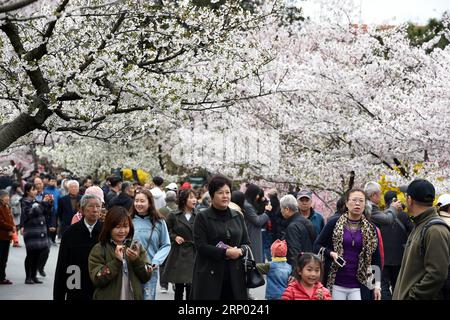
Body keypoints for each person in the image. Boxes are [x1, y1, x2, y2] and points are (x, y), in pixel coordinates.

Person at [314, 188, 382, 300]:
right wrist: (331, 253)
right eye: (354, 200)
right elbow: (317, 245)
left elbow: (375, 258)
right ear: (346, 203)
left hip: (360, 283)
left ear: (365, 204)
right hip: (335, 281)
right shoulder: (334, 223)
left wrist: (376, 286)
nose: (357, 204)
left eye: (361, 201)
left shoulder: (371, 229)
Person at [190, 175, 250, 300]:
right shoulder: (202, 217)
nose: (225, 196)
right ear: (212, 195)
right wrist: (226, 252)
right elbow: (201, 246)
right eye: (220, 193)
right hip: (209, 274)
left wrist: (240, 251)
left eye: (227, 192)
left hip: (235, 275)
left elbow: (246, 243)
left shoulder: (238, 216)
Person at [393, 179, 450, 300]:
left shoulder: (434, 230)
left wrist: (413, 297)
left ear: (409, 200)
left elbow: (437, 274)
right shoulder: (421, 224)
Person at [88, 206, 152, 300]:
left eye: (125, 226)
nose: (122, 231)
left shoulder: (136, 246)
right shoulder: (99, 249)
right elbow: (97, 279)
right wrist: (116, 262)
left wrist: (136, 261)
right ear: (109, 227)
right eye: (117, 227)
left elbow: (147, 276)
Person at [53, 194, 103, 300]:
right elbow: (62, 266)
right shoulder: (70, 233)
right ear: (82, 209)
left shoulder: (105, 232)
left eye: (98, 206)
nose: (95, 210)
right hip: (76, 285)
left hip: (100, 286)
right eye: (91, 206)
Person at [130, 188, 171, 300]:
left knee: (148, 297)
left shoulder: (159, 222)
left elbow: (166, 244)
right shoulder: (128, 221)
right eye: (136, 200)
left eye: (142, 201)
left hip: (150, 269)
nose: (138, 204)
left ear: (150, 203)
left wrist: (157, 260)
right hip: (131, 268)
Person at [378, 190, 414, 300]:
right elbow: (413, 231)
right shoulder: (403, 216)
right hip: (400, 257)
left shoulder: (380, 216)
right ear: (395, 200)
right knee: (397, 285)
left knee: (383, 286)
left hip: (383, 257)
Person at [164, 189, 197, 300]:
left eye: (195, 197)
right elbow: (165, 231)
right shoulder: (174, 215)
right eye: (191, 197)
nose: (194, 200)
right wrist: (174, 237)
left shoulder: (199, 215)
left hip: (194, 252)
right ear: (183, 200)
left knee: (191, 285)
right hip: (179, 253)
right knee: (179, 286)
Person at [20, 183, 52, 284]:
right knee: (30, 254)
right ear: (27, 191)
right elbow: (32, 212)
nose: (35, 191)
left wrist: (49, 202)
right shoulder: (25, 202)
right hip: (31, 232)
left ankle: (34, 276)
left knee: (38, 254)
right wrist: (43, 203)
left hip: (40, 232)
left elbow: (46, 212)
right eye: (33, 189)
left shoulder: (36, 201)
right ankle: (28, 277)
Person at [279, 195, 316, 268]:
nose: (281, 211)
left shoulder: (292, 227)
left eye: (281, 208)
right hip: (310, 264)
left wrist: (294, 273)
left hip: (300, 268)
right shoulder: (307, 221)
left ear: (287, 209)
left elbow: (294, 253)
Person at [243, 184, 269, 263]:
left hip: (252, 233)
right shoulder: (247, 206)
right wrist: (267, 212)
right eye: (257, 194)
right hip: (252, 234)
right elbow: (258, 221)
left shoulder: (248, 203)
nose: (258, 197)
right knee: (254, 258)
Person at [157, 190, 177, 293]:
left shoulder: (160, 210)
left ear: (165, 199)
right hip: (175, 239)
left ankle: (163, 285)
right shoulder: (178, 210)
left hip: (163, 238)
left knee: (163, 262)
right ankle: (175, 282)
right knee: (174, 262)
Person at [0, 190, 15, 284]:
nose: (8, 198)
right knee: (1, 258)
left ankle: (2, 276)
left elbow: (10, 219)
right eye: (6, 196)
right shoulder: (0, 207)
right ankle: (1, 277)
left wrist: (12, 228)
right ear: (1, 197)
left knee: (4, 258)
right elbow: (1, 222)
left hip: (7, 236)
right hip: (1, 236)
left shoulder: (7, 207)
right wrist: (11, 227)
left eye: (8, 196)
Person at [9, 182, 23, 247]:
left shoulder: (19, 193)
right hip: (14, 212)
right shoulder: (11, 194)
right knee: (14, 227)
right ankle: (15, 241)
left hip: (18, 212)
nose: (19, 188)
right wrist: (19, 200)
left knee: (17, 227)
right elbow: (12, 203)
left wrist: (21, 192)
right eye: (18, 187)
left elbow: (24, 196)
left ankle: (14, 240)